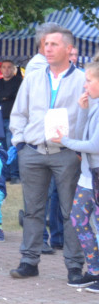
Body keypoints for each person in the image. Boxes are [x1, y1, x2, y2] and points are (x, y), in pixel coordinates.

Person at [54, 59, 99, 292]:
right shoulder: (94, 106)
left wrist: (64, 141)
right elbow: (83, 136)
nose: (85, 86)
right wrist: (83, 111)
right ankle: (94, 270)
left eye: (89, 81)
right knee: (78, 219)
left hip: (96, 175)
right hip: (88, 177)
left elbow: (93, 144)